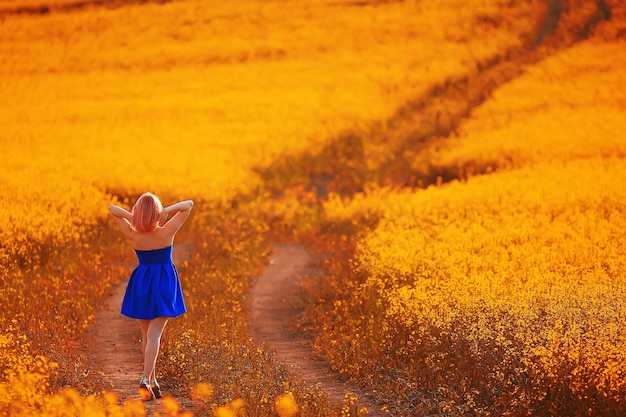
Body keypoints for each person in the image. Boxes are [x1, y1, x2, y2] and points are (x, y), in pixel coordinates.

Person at [108, 192, 194, 400]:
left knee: (147, 336)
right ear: (157, 213)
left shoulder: (132, 233)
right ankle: (145, 379)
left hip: (142, 282)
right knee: (154, 335)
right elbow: (188, 204)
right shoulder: (166, 231)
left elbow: (111, 208)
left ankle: (153, 382)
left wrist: (134, 216)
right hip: (163, 282)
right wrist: (165, 212)